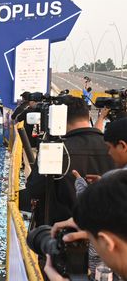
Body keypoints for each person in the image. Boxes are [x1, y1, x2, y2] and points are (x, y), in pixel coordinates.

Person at [24, 96, 114, 224]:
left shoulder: (56, 149)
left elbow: (34, 190)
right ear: (88, 116)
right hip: (106, 229)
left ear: (58, 119)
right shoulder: (114, 147)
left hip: (62, 228)